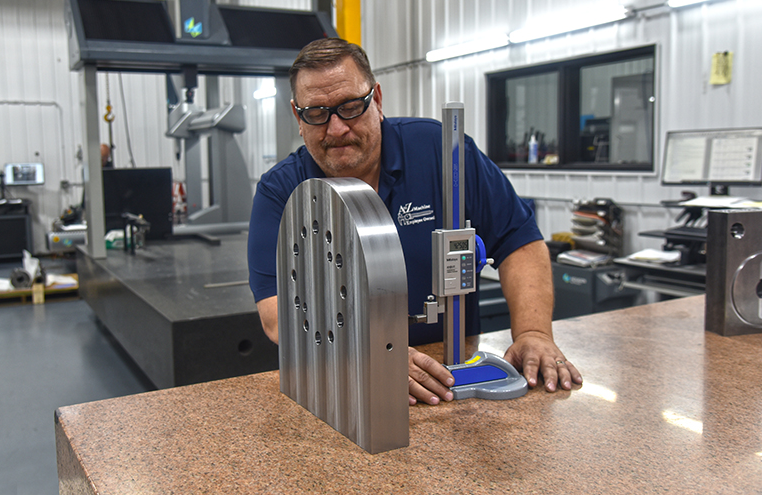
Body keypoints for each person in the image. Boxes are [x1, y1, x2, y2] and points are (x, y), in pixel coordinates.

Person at [247, 38, 582, 406]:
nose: (337, 128)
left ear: (376, 98)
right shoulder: (281, 191)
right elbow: (277, 314)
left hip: (452, 371)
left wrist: (534, 332)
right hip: (348, 376)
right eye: (317, 113)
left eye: (349, 107)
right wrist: (373, 352)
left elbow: (518, 239)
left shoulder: (443, 151)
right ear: (298, 116)